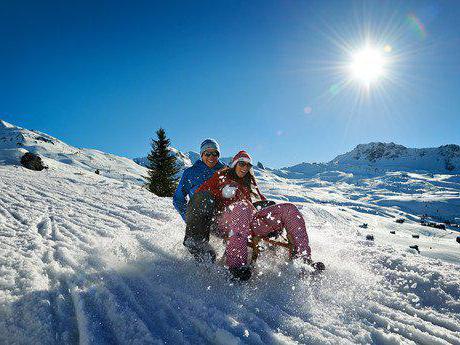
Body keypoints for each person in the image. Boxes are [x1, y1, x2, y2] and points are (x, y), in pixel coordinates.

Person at [196, 150, 323, 281]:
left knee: (289, 209)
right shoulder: (220, 176)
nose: (245, 168)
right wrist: (221, 192)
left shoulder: (249, 182)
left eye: (248, 165)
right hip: (224, 221)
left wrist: (270, 213)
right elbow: (200, 196)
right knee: (242, 206)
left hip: (248, 221)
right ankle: (235, 266)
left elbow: (260, 201)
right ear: (234, 164)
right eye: (241, 164)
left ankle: (303, 260)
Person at [173, 139, 225, 261]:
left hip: (220, 217)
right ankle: (195, 241)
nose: (211, 157)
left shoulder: (225, 171)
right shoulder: (191, 173)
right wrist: (189, 218)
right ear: (201, 155)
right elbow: (178, 199)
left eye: (215, 153)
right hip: (199, 217)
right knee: (204, 196)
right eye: (207, 154)